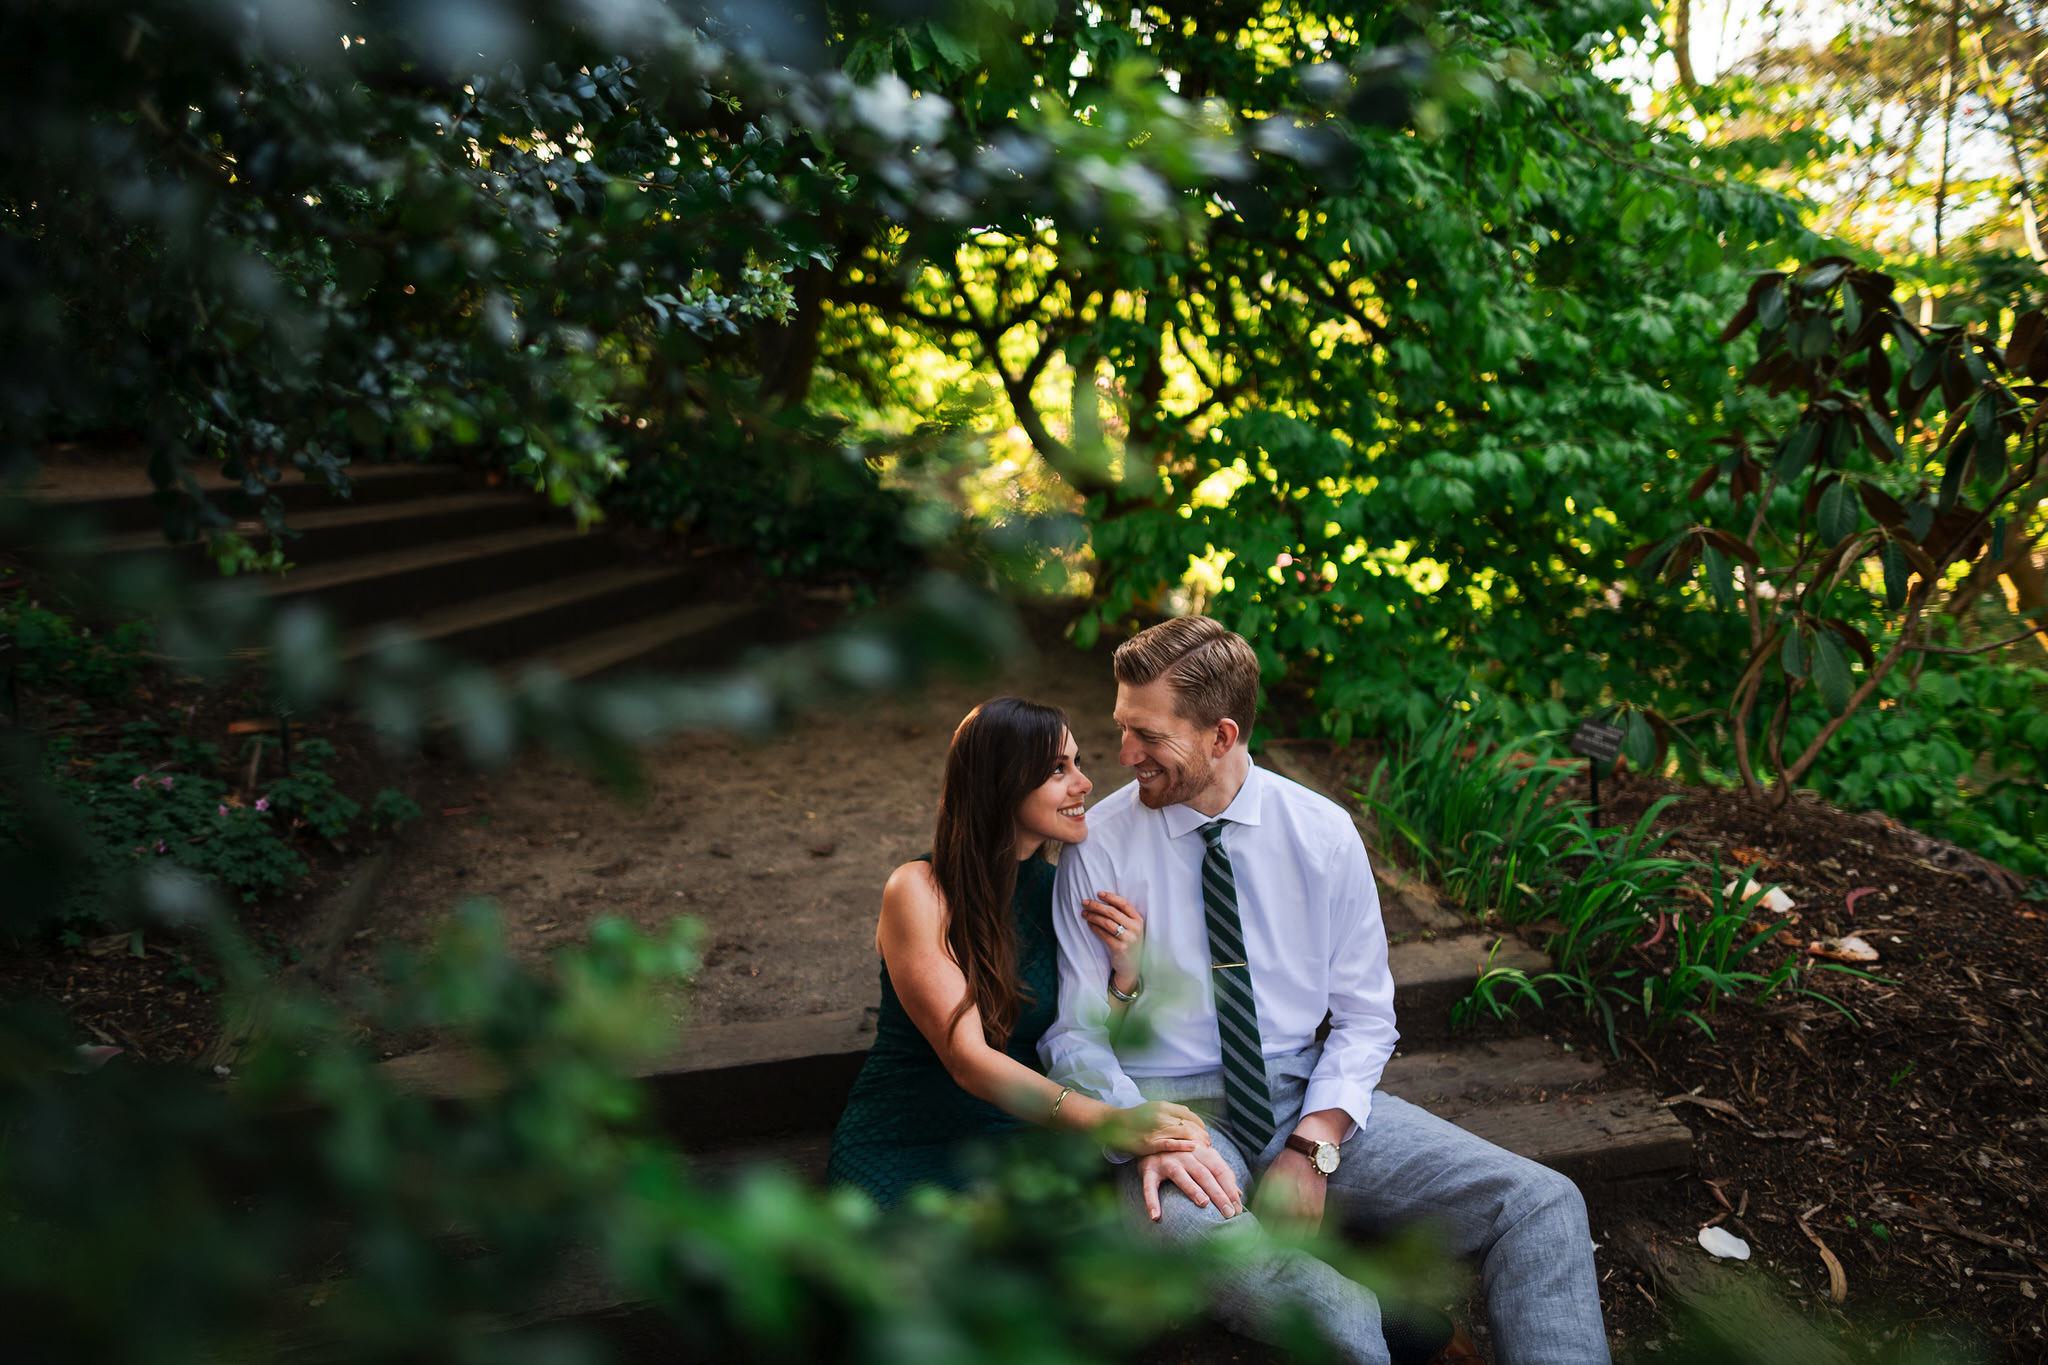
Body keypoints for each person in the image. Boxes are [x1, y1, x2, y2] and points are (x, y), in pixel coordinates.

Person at [1039, 617, 1610, 1365]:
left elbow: (1367, 1016)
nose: (1124, 755)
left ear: (1222, 734)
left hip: (1304, 1094)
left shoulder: (1322, 833)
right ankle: (1386, 1330)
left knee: (1543, 1203)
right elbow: (1072, 1034)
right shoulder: (1100, 844)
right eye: (1122, 728)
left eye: (1148, 735)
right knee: (1193, 1239)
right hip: (1173, 1113)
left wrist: (1314, 1146)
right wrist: (1142, 1125)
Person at [826, 695, 1211, 1205]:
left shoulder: (1065, 890)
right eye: (1058, 769)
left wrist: (1124, 976)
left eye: (1077, 763)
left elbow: (1087, 1038)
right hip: (910, 1135)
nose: (1084, 783)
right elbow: (968, 1058)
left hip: (1023, 1143)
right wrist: (1114, 1123)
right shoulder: (919, 891)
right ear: (1003, 782)